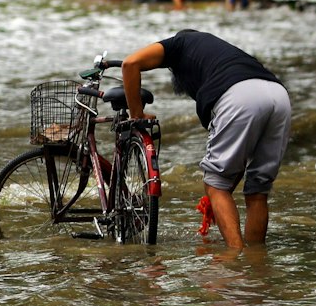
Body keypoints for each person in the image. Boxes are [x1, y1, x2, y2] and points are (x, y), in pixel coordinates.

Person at [121, 29, 290, 253]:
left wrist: (137, 114)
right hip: (279, 96)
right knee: (257, 192)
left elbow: (130, 63)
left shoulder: (179, 43)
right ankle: (256, 260)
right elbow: (236, 161)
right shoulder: (217, 53)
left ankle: (234, 258)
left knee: (214, 184)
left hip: (239, 97)